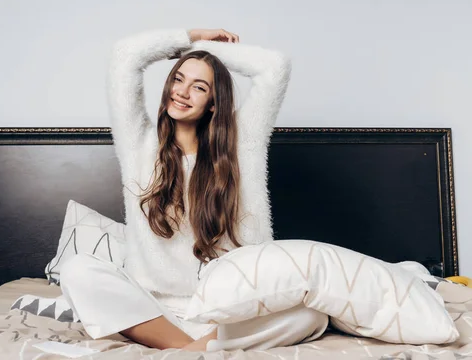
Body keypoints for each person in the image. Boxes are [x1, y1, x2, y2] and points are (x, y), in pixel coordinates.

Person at [60, 28, 328, 351]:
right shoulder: (140, 146)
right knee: (76, 270)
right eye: (178, 79)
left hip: (227, 314)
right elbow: (125, 57)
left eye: (198, 87)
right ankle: (195, 350)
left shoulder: (242, 146)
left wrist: (211, 53)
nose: (182, 92)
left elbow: (275, 67)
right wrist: (191, 38)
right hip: (156, 312)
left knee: (313, 314)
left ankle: (189, 351)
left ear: (214, 103)